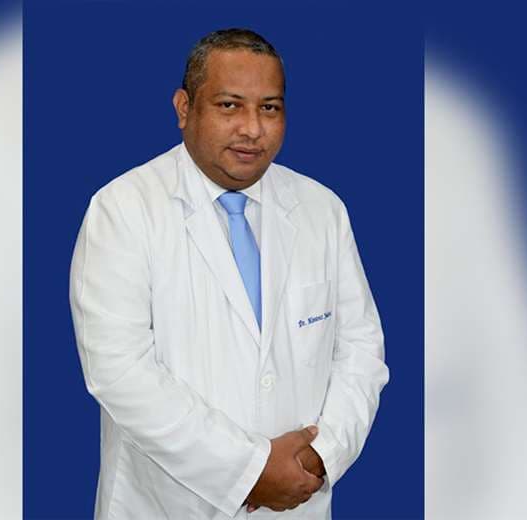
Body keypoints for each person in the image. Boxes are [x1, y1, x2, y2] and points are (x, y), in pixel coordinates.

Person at [69, 28, 389, 519]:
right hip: (166, 506)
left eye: (269, 108)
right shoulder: (123, 209)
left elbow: (361, 349)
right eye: (229, 106)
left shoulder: (323, 210)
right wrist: (250, 470)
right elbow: (118, 372)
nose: (252, 129)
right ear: (184, 108)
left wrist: (322, 456)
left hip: (299, 501)